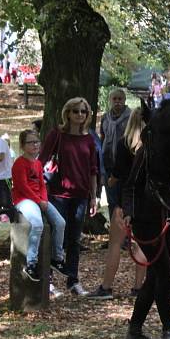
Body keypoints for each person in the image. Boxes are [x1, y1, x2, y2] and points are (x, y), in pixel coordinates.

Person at [39, 97, 99, 296]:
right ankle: (47, 281)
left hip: (81, 195)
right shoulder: (57, 135)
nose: (79, 115)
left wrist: (94, 196)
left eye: (83, 111)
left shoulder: (89, 138)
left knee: (74, 240)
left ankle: (72, 280)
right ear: (68, 113)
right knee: (56, 237)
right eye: (76, 111)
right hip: (57, 194)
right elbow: (41, 161)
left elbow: (93, 169)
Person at [88, 109, 148, 300]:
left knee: (115, 244)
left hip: (124, 200)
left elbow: (118, 174)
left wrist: (112, 180)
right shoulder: (150, 146)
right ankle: (138, 287)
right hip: (145, 200)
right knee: (140, 244)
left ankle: (106, 287)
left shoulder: (124, 144)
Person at [123, 141, 170, 339]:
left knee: (155, 275)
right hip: (146, 220)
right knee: (164, 272)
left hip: (168, 218)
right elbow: (130, 185)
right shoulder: (146, 152)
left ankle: (135, 329)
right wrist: (129, 212)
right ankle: (168, 328)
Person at [11, 130, 67, 282]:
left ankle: (57, 258)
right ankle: (31, 264)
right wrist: (38, 200)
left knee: (60, 223)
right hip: (24, 199)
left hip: (39, 199)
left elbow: (42, 185)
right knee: (37, 225)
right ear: (23, 146)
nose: (35, 145)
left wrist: (44, 200)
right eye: (30, 142)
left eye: (37, 142)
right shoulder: (19, 164)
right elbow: (22, 187)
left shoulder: (37, 163)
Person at [99, 89, 131, 218]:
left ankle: (127, 235)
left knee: (125, 201)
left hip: (125, 166)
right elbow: (102, 137)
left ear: (124, 100)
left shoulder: (131, 117)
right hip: (108, 164)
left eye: (120, 99)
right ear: (110, 101)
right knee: (112, 201)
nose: (117, 102)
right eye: (114, 99)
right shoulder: (105, 118)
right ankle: (115, 232)